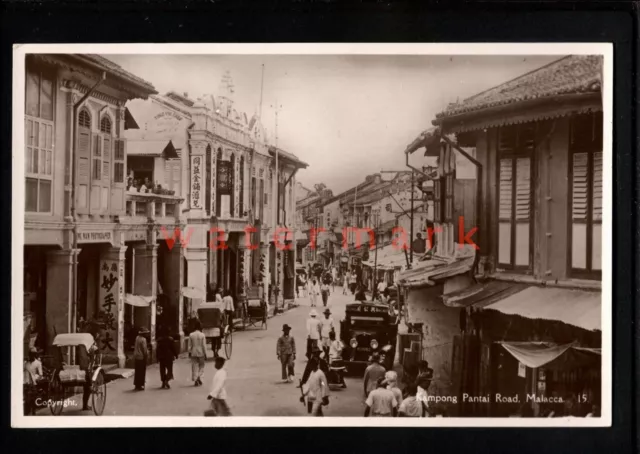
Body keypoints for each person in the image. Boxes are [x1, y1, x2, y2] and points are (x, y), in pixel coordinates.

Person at [188, 320, 207, 387]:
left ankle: (195, 379)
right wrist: (205, 353)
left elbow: (190, 345)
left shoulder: (191, 335)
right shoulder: (202, 335)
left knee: (194, 366)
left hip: (193, 352)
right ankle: (199, 377)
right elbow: (204, 345)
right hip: (201, 352)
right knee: (201, 366)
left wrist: (189, 352)